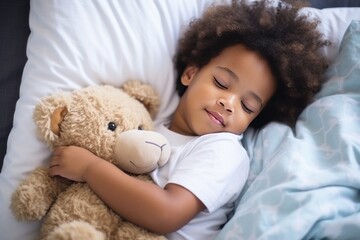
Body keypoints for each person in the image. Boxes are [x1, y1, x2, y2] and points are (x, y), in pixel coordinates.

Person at [48, 0, 329, 239]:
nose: (229, 104)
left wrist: (89, 169)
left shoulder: (223, 151)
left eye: (247, 105)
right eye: (221, 83)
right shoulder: (151, 128)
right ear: (190, 74)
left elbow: (166, 213)